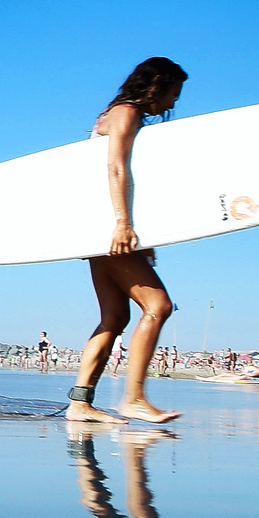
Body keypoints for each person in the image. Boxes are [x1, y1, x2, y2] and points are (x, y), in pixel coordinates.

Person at [66, 56, 188, 424]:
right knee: (158, 306)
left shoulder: (112, 113)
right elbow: (116, 167)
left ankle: (80, 403)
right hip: (107, 227)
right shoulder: (126, 113)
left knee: (115, 317)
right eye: (173, 93)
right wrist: (123, 224)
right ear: (156, 86)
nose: (173, 103)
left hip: (96, 228)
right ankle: (133, 398)